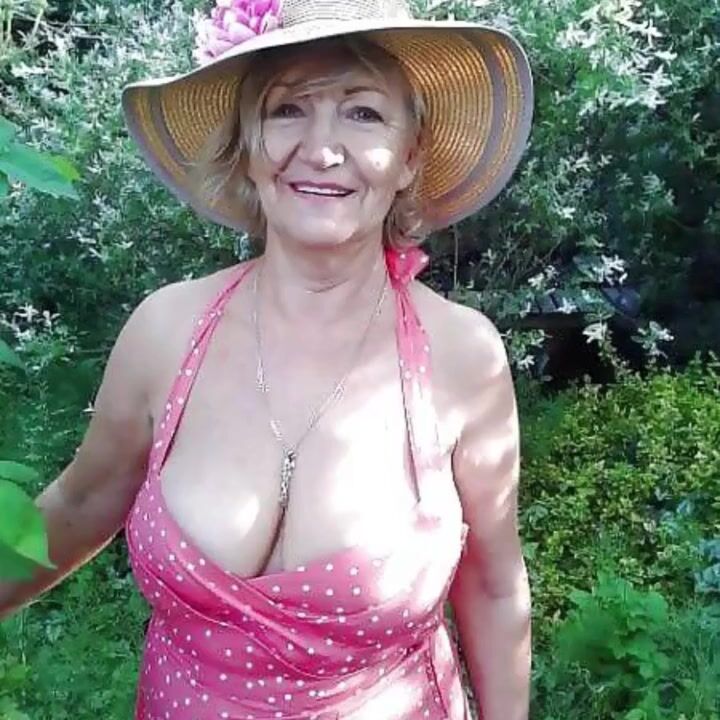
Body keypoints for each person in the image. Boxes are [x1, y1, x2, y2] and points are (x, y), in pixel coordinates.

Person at [0, 0, 535, 717]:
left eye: (364, 113)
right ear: (246, 147)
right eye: (288, 110)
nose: (321, 148)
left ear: (409, 158)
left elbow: (494, 587)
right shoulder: (166, 330)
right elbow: (80, 504)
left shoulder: (463, 356)